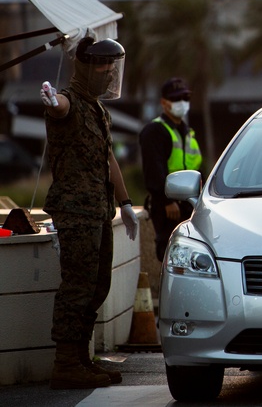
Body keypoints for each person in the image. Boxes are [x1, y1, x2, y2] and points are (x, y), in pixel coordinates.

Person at [40, 36, 138, 390]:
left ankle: (81, 358)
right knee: (78, 286)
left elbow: (108, 157)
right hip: (75, 210)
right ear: (85, 66)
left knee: (97, 287)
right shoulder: (72, 101)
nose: (108, 72)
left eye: (112, 66)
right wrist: (53, 102)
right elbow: (60, 107)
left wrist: (126, 203)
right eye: (102, 65)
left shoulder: (98, 109)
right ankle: (65, 362)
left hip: (98, 210)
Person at [139, 77, 202, 262]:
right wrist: (165, 200)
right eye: (176, 99)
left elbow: (197, 169)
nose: (182, 102)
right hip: (168, 206)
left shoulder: (186, 132)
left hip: (189, 205)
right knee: (168, 253)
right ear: (164, 103)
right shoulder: (155, 131)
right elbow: (153, 170)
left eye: (185, 97)